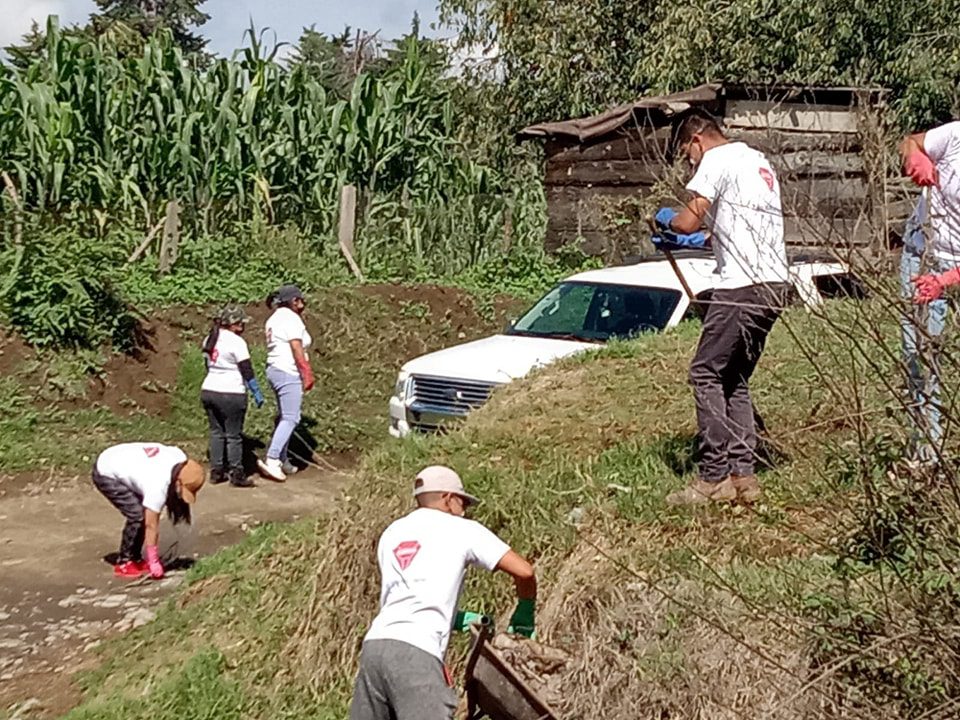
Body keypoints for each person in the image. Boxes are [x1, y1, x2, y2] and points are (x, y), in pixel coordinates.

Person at [655, 111, 791, 505]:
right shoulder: (758, 161)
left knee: (704, 373)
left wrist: (668, 224)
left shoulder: (717, 159)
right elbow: (729, 224)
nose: (690, 163)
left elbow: (688, 218)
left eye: (687, 155)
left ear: (697, 139)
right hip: (773, 284)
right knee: (734, 377)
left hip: (741, 287)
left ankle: (713, 475)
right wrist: (702, 238)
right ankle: (743, 478)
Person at [349, 465, 537, 720]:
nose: (465, 510)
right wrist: (525, 612)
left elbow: (409, 598)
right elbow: (524, 571)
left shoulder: (392, 533)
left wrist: (458, 619)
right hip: (417, 654)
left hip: (375, 648)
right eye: (463, 503)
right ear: (449, 499)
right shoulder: (462, 529)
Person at [900, 121, 960, 461]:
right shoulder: (955, 136)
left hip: (954, 269)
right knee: (919, 352)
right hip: (921, 252)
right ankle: (925, 450)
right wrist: (916, 157)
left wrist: (946, 281)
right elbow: (910, 141)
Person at [91, 442, 205, 579]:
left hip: (123, 458)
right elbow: (151, 525)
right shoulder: (158, 484)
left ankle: (135, 558)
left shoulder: (179, 458)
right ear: (178, 482)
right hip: (107, 469)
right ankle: (124, 562)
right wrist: (153, 560)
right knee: (138, 515)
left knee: (142, 513)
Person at [201, 304, 264, 488]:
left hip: (209, 390)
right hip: (231, 393)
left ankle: (216, 471)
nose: (243, 327)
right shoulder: (237, 342)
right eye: (241, 323)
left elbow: (207, 364)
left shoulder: (209, 339)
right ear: (234, 324)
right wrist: (256, 391)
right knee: (234, 435)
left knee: (216, 432)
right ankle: (237, 474)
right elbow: (246, 370)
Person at [257, 284, 315, 482]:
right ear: (294, 301)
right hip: (287, 372)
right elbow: (296, 347)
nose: (303, 303)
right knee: (291, 418)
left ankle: (283, 458)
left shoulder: (274, 318)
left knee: (284, 416)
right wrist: (306, 372)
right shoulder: (291, 318)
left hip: (274, 370)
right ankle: (273, 459)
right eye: (300, 300)